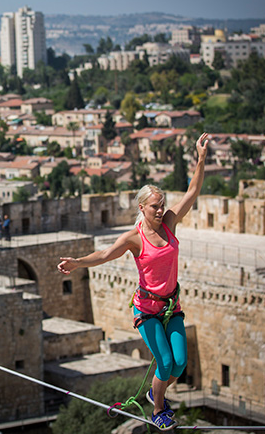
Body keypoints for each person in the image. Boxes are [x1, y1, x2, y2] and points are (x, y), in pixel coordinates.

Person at [58, 133, 209, 431]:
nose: (159, 209)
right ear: (141, 208)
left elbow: (192, 192)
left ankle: (157, 391)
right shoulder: (134, 239)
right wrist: (77, 262)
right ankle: (158, 410)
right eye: (154, 206)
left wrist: (201, 159)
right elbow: (104, 254)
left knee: (179, 363)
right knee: (164, 362)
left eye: (161, 204)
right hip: (147, 310)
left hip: (171, 307)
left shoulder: (169, 223)